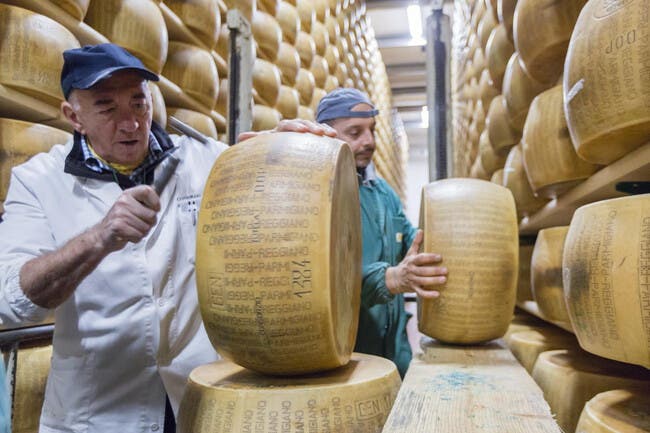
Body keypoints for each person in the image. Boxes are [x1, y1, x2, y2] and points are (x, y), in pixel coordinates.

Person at [0, 43, 335, 433]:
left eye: (138, 103)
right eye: (108, 108)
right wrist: (99, 238)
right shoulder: (38, 181)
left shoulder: (203, 160)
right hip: (100, 412)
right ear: (74, 116)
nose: (131, 123)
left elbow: (263, 185)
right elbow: (12, 302)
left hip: (196, 399)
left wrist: (290, 147)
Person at [316, 88, 448, 377]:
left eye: (372, 130)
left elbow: (411, 238)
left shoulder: (383, 192)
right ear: (326, 134)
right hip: (348, 363)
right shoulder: (317, 194)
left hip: (395, 358)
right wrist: (392, 278)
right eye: (355, 132)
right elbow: (322, 280)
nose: (370, 142)